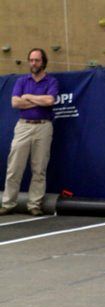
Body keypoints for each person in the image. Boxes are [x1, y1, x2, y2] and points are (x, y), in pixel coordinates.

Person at [0, 48, 59, 216]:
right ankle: (8, 203)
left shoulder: (51, 81)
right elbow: (15, 103)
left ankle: (34, 204)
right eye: (31, 60)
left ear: (43, 62)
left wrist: (28, 96)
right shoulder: (21, 81)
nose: (34, 64)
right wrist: (37, 101)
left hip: (44, 127)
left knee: (39, 168)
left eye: (37, 60)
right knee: (14, 167)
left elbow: (49, 101)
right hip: (23, 126)